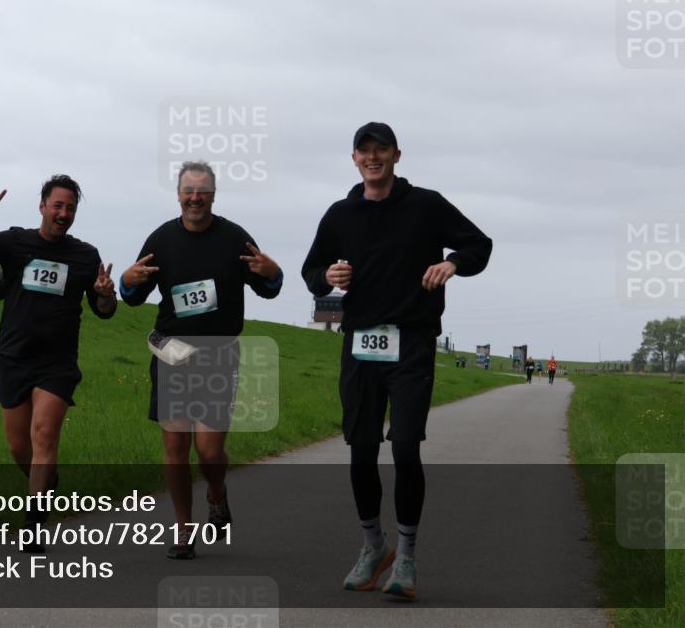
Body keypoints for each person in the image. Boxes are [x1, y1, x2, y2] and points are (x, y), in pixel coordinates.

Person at [301, 122, 491, 600]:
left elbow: (478, 244)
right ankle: (374, 546)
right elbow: (310, 272)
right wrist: (327, 273)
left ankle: (405, 556)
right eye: (365, 151)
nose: (373, 157)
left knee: (405, 447)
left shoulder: (425, 205)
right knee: (361, 449)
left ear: (396, 155)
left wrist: (452, 264)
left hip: (412, 342)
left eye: (381, 149)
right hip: (360, 345)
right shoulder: (339, 213)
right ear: (354, 159)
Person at [120, 161, 283, 559]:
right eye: (188, 190)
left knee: (209, 451)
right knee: (175, 448)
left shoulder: (234, 238)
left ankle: (216, 492)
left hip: (218, 355)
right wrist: (127, 279)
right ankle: (182, 529)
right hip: (172, 352)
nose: (195, 198)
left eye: (203, 191)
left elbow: (270, 290)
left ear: (213, 194)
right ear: (178, 194)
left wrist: (273, 271)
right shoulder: (161, 239)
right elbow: (132, 295)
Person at [0, 176, 116, 550]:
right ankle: (45, 483)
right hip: (13, 358)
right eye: (57, 206)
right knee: (18, 447)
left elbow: (104, 311)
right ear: (42, 206)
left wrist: (106, 295)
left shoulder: (85, 256)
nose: (63, 214)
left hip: (57, 362)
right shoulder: (15, 242)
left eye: (70, 208)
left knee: (44, 435)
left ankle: (34, 522)